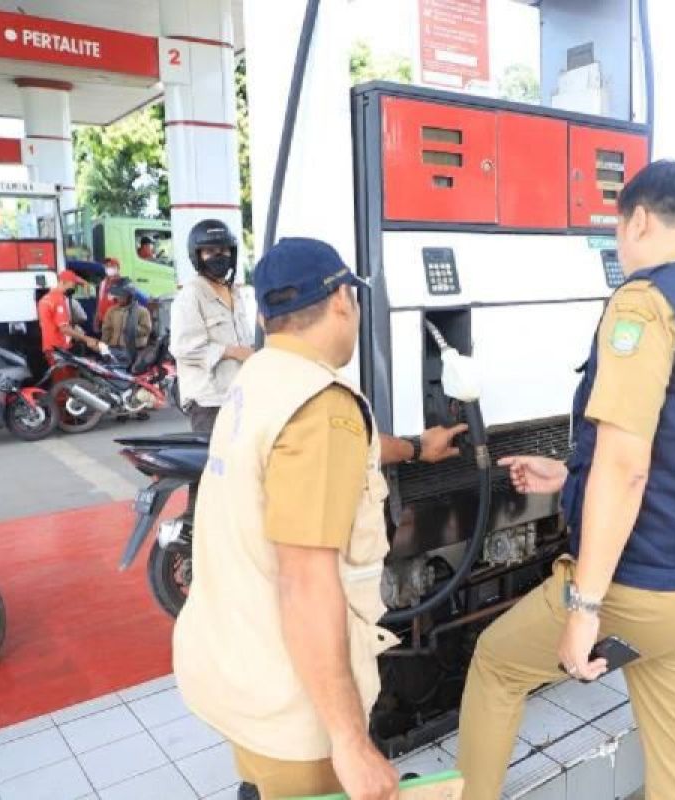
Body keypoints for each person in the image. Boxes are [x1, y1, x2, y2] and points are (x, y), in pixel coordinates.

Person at [455, 161, 675, 800]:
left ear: (642, 219)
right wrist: (571, 474)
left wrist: (584, 608)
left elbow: (627, 468)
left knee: (495, 665)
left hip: (642, 588)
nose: (620, 246)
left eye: (618, 230)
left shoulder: (647, 300)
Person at [173, 237, 465, 800]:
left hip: (229, 667)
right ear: (340, 301)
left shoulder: (261, 378)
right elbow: (306, 583)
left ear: (264, 316)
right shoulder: (318, 404)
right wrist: (351, 741)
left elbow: (338, 448)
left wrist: (413, 447)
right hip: (291, 705)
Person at [170, 219, 255, 434]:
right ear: (197, 256)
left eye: (224, 250)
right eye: (210, 251)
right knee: (215, 465)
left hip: (239, 395)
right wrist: (233, 352)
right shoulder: (191, 295)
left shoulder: (234, 292)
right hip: (209, 402)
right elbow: (183, 348)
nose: (219, 256)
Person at [38, 270, 105, 361]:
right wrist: (87, 339)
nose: (74, 287)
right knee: (66, 374)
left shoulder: (45, 299)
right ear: (63, 282)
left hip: (50, 347)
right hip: (59, 348)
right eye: (73, 284)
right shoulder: (57, 300)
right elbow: (64, 328)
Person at [101, 278, 152, 360]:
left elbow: (146, 330)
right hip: (113, 349)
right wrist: (103, 347)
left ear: (130, 296)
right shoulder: (112, 311)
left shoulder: (142, 311)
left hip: (132, 351)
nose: (118, 298)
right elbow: (106, 329)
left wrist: (131, 328)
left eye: (121, 295)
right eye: (117, 295)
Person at [94, 257, 123, 333]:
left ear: (117, 268)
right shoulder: (103, 283)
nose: (108, 268)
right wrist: (96, 319)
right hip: (103, 321)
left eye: (111, 266)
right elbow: (99, 302)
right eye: (107, 266)